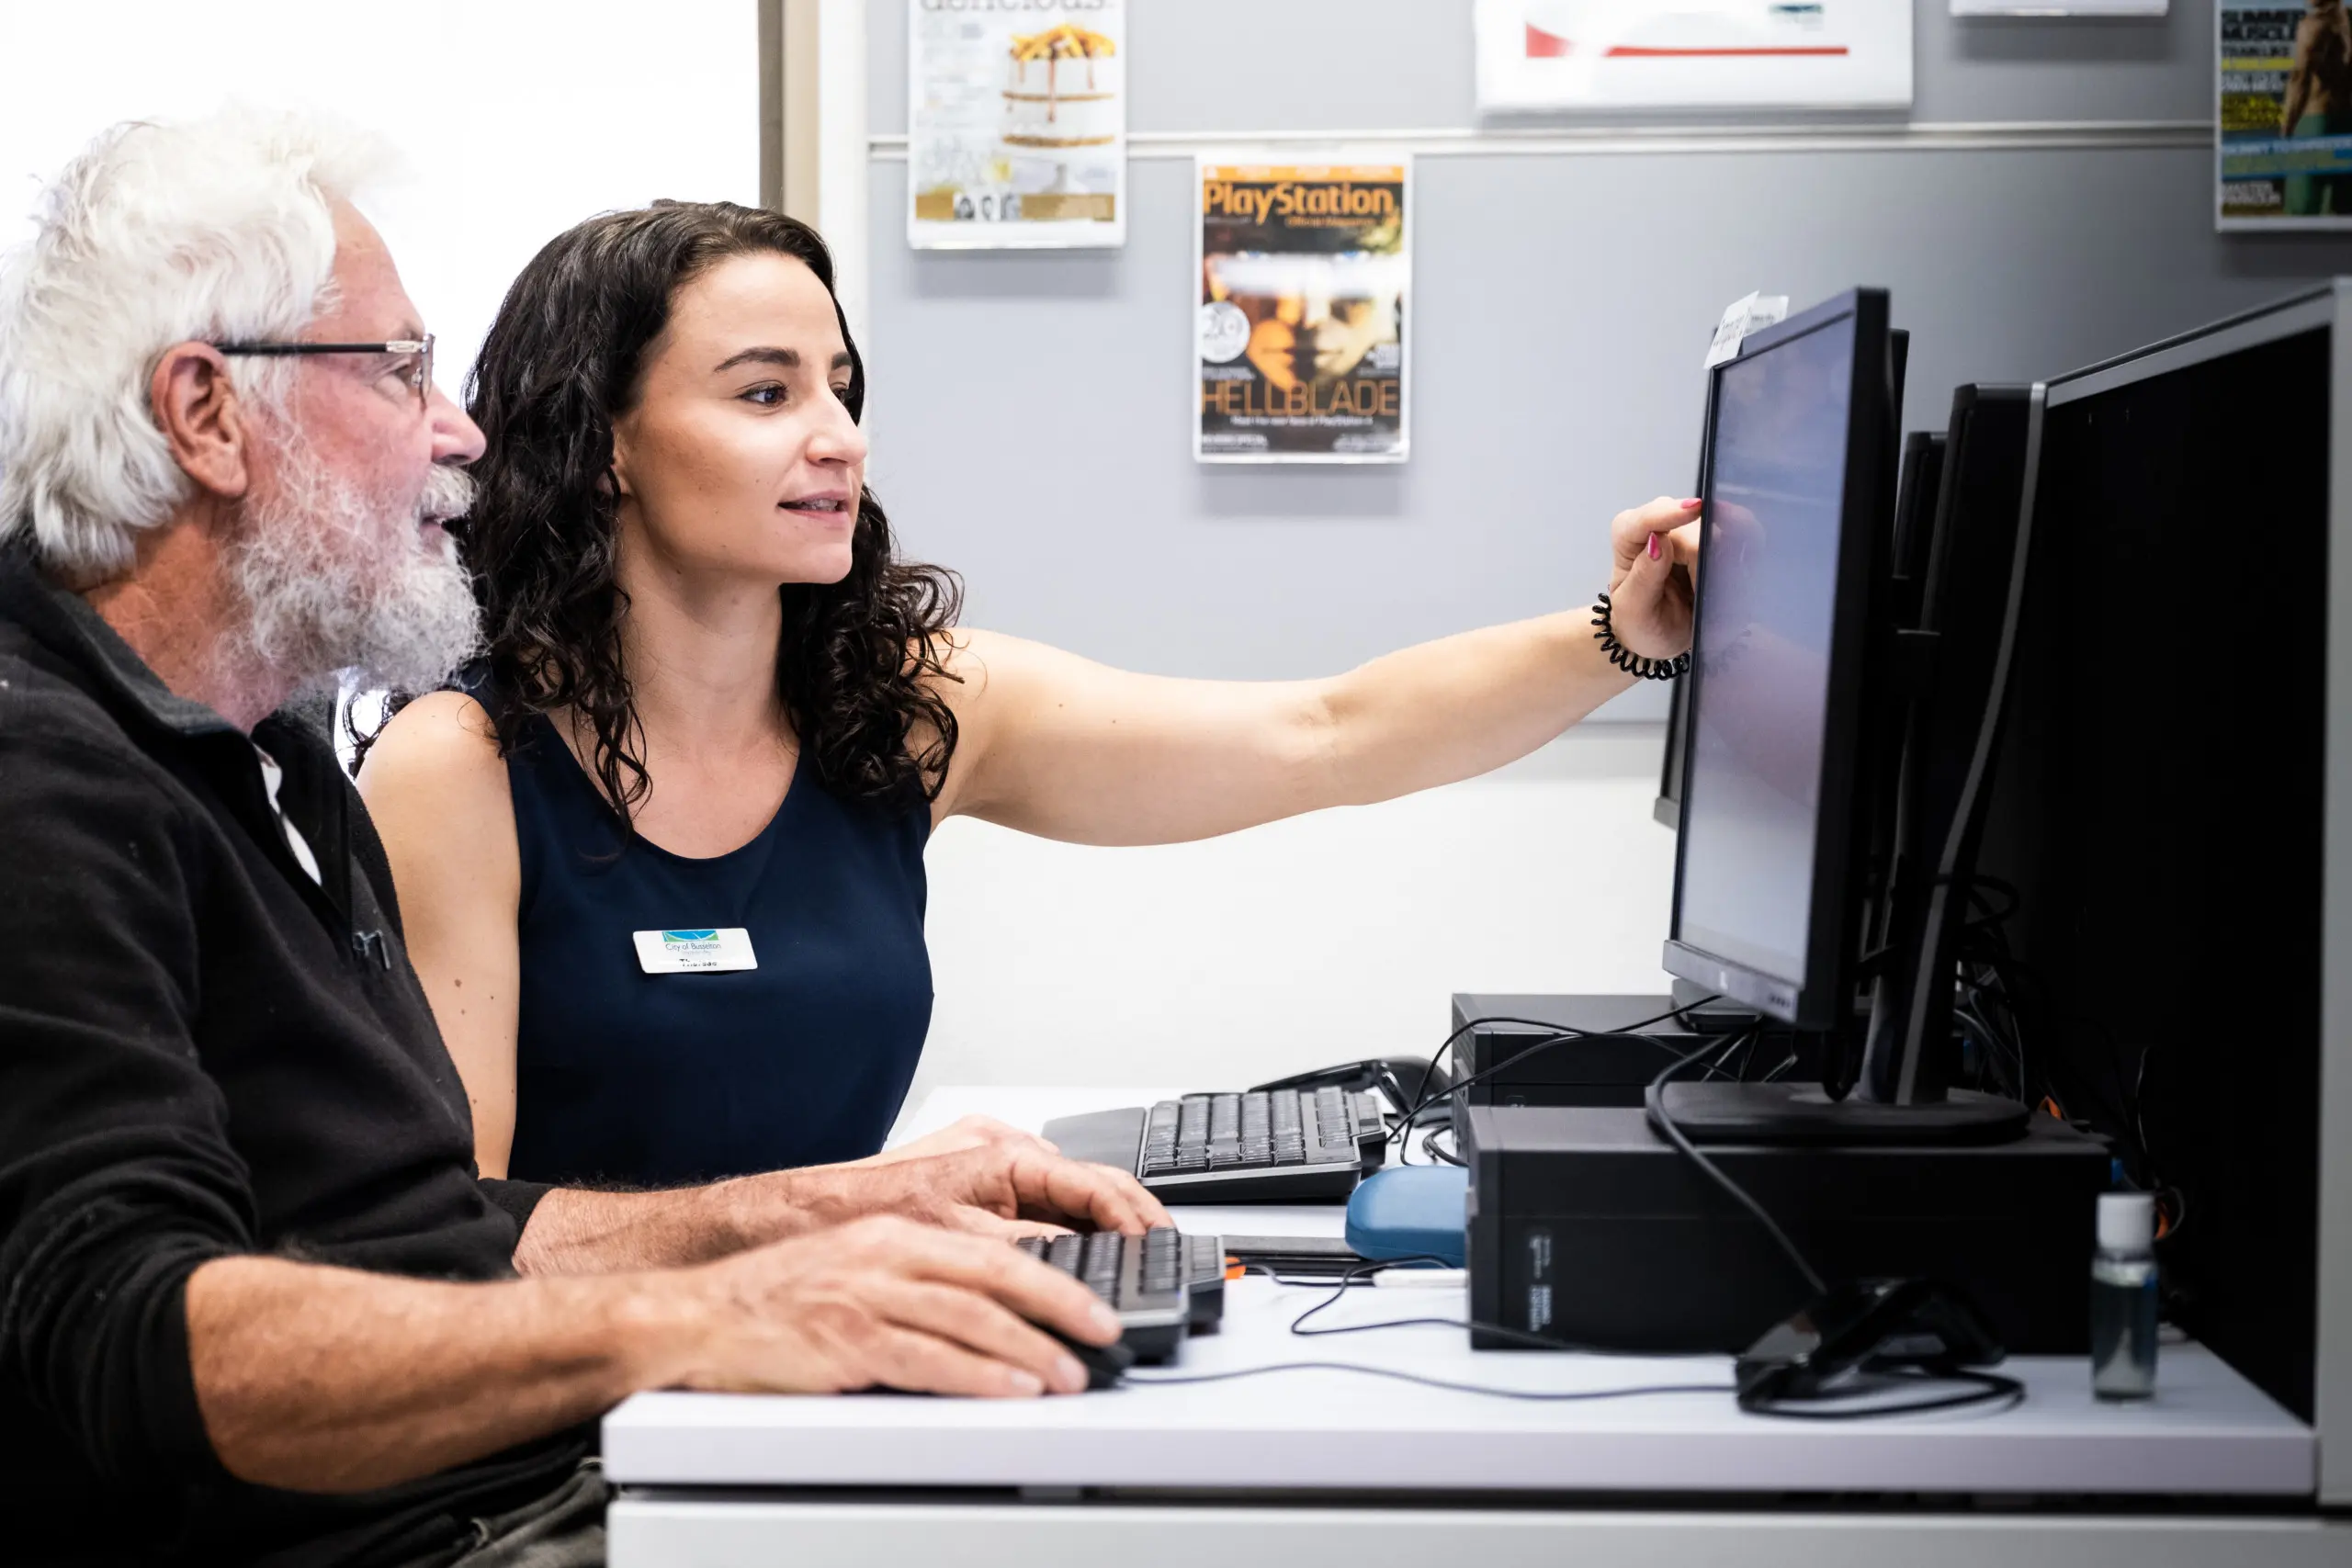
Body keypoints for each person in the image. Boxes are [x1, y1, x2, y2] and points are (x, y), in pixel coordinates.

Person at [0, 110, 1170, 1568]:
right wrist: (714, 1311)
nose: (460, 430)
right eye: (399, 371)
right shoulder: (38, 779)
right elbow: (134, 1336)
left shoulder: (270, 755)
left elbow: (439, 1231)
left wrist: (843, 1206)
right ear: (206, 413)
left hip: (517, 1486)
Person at [356, 200, 1703, 1192]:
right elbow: (453, 1239)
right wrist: (866, 1213)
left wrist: (1622, 633)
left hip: (829, 1366)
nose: (838, 433)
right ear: (603, 447)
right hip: (585, 1447)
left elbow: (1325, 734)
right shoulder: (460, 766)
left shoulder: (901, 710)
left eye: (841, 385)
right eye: (766, 392)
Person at [2282, 0, 2352, 216]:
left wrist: (2286, 128)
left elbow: (2299, 81)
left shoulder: (2312, 26)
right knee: (2343, 214)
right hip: (2346, 123)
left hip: (2314, 123)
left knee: (2301, 213)